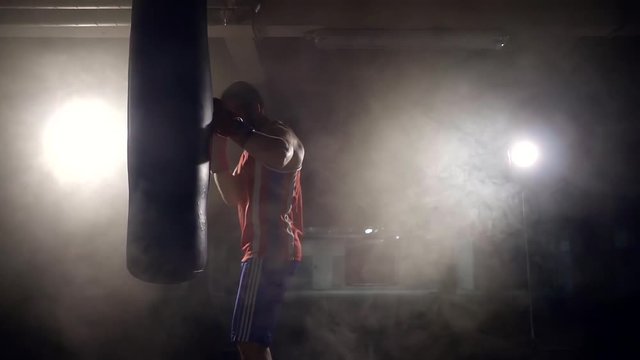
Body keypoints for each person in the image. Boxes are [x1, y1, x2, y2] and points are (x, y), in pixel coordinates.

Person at [208, 81, 304, 360]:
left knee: (249, 341)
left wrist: (233, 129)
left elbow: (281, 153)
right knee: (249, 341)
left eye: (239, 113)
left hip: (271, 247)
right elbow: (232, 196)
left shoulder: (281, 133)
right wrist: (217, 139)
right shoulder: (250, 154)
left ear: (257, 108)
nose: (236, 119)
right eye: (230, 115)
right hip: (260, 250)